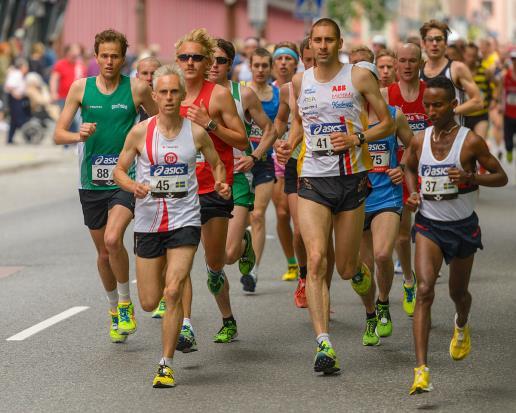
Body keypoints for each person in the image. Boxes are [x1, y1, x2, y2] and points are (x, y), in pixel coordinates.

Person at [276, 18, 394, 373]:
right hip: (312, 179)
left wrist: (358, 139)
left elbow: (386, 122)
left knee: (346, 268)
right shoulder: (301, 80)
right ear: (309, 44)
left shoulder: (357, 77)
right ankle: (324, 344)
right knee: (315, 259)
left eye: (329, 40)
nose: (323, 46)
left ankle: (372, 307)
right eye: (317, 40)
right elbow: (299, 123)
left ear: (339, 42)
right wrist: (288, 144)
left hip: (352, 181)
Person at [114, 64, 230, 388]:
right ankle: (165, 298)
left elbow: (218, 164)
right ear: (154, 95)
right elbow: (119, 170)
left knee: (174, 288)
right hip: (149, 222)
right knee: (150, 301)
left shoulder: (195, 132)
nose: (168, 97)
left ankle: (165, 363)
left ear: (181, 95)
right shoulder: (140, 132)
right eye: (162, 92)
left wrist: (221, 183)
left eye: (174, 92)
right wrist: (132, 186)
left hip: (185, 219)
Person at [404, 77, 507, 395]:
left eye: (437, 105)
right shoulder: (419, 140)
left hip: (462, 227)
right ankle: (421, 370)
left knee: (458, 294)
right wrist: (411, 194)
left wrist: (470, 176)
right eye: (427, 105)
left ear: (452, 105)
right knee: (424, 289)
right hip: (429, 225)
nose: (431, 111)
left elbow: (501, 176)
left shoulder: (471, 141)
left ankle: (461, 323)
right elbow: (408, 166)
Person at [54, 29, 157, 343]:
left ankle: (126, 304)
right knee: (103, 253)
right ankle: (113, 309)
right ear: (95, 57)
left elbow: (161, 125)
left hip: (124, 178)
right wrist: (78, 134)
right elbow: (58, 134)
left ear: (123, 58)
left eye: (115, 56)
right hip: (91, 181)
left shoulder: (137, 88)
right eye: (104, 56)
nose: (109, 61)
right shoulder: (80, 89)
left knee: (114, 239)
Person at [175, 28, 247, 351]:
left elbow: (243, 141)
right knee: (182, 260)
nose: (190, 63)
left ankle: (228, 318)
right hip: (180, 190)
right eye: (184, 57)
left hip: (215, 189)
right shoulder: (168, 93)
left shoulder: (217, 95)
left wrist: (210, 123)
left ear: (207, 63)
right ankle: (186, 326)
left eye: (197, 58)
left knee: (215, 265)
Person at [350, 51, 414, 341]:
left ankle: (384, 302)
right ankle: (369, 315)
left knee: (382, 253)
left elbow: (414, 145)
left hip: (387, 194)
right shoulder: (348, 117)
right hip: (356, 198)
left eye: (367, 83)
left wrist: (401, 166)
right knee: (361, 268)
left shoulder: (393, 114)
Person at [387, 42, 430, 316]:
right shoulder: (387, 95)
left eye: (412, 61)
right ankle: (409, 281)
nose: (406, 66)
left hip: (428, 171)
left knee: (429, 232)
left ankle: (427, 281)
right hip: (399, 172)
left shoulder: (429, 93)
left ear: (420, 63)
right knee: (402, 235)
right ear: (395, 64)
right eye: (401, 61)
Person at [246, 47, 281, 288]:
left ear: (271, 68)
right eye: (256, 65)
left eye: (264, 66)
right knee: (239, 220)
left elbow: (279, 128)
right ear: (250, 66)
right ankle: (242, 248)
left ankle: (253, 271)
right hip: (240, 162)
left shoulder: (278, 96)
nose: (260, 70)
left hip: (265, 161)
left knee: (258, 215)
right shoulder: (241, 92)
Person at [271, 42, 300, 281]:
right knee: (281, 214)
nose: (283, 63)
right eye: (279, 58)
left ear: (296, 62)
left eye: (288, 59)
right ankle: (292, 262)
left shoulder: (305, 85)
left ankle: (306, 263)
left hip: (300, 153)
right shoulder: (269, 91)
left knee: (299, 218)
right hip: (277, 154)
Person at [419, 20, 483, 125]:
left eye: (439, 39)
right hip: (426, 137)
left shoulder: (457, 68)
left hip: (454, 137)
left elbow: (478, 102)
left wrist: (450, 112)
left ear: (445, 43)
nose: (434, 44)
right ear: (423, 43)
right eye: (430, 39)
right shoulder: (418, 71)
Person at [50, 43, 86, 133]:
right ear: (68, 53)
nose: (76, 55)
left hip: (78, 97)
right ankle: (66, 141)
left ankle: (72, 140)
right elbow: (54, 79)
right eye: (74, 53)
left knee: (77, 119)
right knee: (66, 119)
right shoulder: (60, 64)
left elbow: (85, 81)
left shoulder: (80, 66)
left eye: (77, 54)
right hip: (63, 97)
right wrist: (53, 92)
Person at [463, 43, 493, 141]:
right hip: (464, 115)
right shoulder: (457, 72)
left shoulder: (485, 72)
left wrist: (495, 101)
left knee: (480, 141)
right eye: (469, 55)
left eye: (474, 56)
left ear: (477, 56)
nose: (471, 59)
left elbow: (496, 85)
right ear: (464, 55)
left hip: (481, 114)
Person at [4, 57, 29, 144]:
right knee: (18, 119)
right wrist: (15, 94)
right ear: (21, 67)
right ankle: (27, 134)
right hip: (15, 99)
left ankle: (10, 139)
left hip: (18, 98)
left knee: (14, 121)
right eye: (25, 66)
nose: (27, 68)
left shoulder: (20, 75)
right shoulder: (17, 74)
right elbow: (9, 86)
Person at [500, 50, 516, 163]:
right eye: (514, 59)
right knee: (508, 141)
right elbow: (501, 91)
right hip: (508, 113)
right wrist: (500, 105)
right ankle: (509, 150)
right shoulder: (505, 76)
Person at [135, 56, 161, 122]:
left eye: (153, 73)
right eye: (145, 73)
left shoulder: (168, 103)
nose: (149, 78)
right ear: (137, 77)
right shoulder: (129, 103)